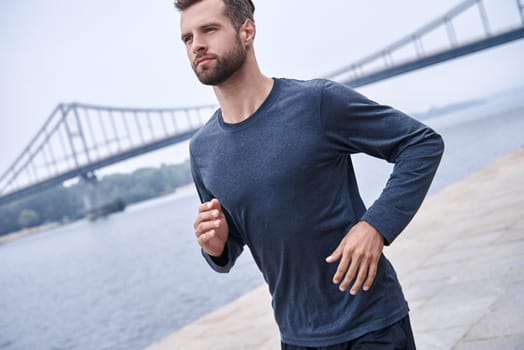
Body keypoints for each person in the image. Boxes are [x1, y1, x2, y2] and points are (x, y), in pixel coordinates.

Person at [175, 0, 444, 349]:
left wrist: (375, 226)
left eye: (209, 29)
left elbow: (420, 144)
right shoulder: (202, 150)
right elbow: (233, 242)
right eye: (186, 38)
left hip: (372, 325)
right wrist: (216, 247)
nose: (196, 44)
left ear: (247, 31)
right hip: (297, 337)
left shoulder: (316, 102)